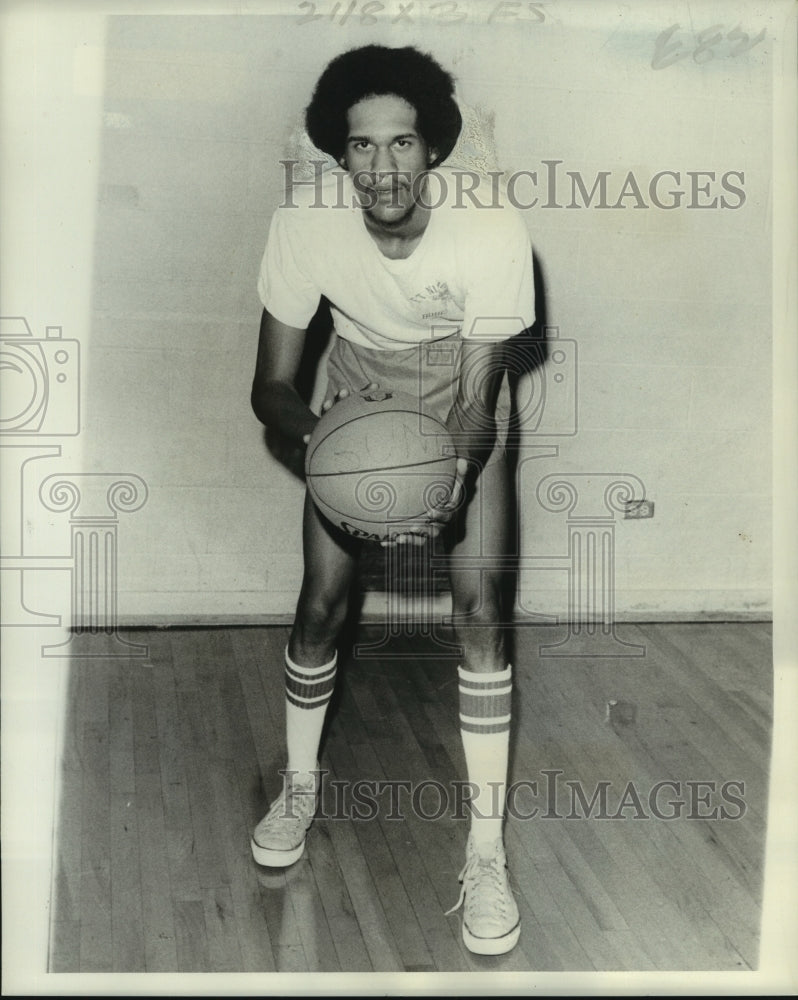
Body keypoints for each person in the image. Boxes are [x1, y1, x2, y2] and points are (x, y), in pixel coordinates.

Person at [249, 44, 534, 957]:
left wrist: (446, 478)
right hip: (356, 404)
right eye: (364, 147)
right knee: (321, 606)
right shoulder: (303, 223)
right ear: (341, 153)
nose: (383, 167)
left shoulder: (492, 230)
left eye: (402, 144)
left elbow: (476, 403)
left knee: (483, 613)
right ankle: (299, 789)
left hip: (458, 411)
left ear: (433, 150)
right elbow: (271, 389)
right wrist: (323, 442)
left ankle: (486, 856)